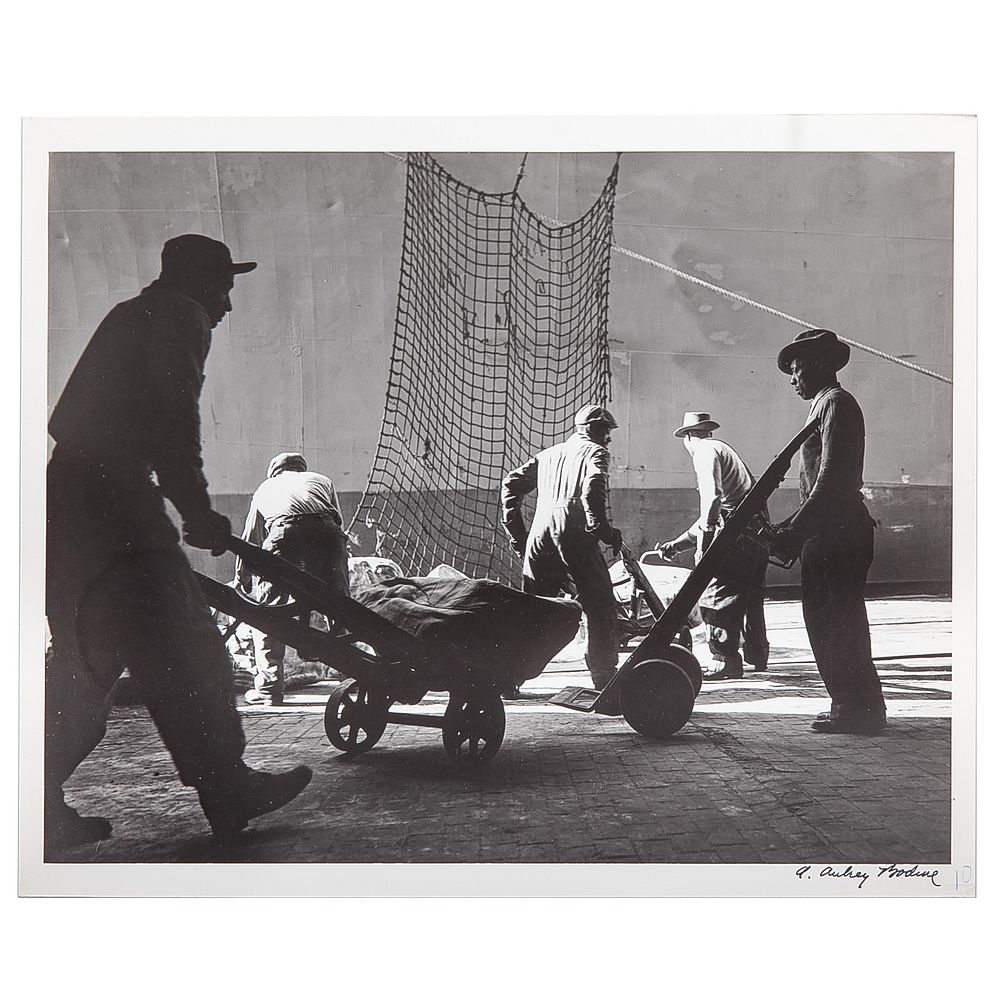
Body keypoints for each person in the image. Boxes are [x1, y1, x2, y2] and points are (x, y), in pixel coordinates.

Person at [45, 234, 312, 851]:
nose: (227, 304)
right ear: (201, 282)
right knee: (189, 648)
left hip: (70, 504)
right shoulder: (178, 314)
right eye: (225, 288)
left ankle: (32, 802)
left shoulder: (130, 314)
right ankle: (226, 786)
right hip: (116, 505)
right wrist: (196, 509)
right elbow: (174, 416)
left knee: (89, 665)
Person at [770, 329, 886, 735]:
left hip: (837, 533)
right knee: (830, 621)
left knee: (837, 622)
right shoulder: (825, 405)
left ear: (818, 365)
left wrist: (794, 529)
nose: (792, 378)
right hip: (830, 532)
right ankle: (851, 705)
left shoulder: (835, 404)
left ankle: (859, 709)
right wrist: (793, 527)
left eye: (797, 369)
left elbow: (832, 481)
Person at [500, 405, 622, 689]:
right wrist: (602, 529)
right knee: (601, 606)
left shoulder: (548, 454)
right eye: (606, 430)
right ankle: (604, 675)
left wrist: (519, 537)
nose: (609, 438)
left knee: (532, 610)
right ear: (589, 429)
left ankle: (508, 677)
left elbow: (510, 485)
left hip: (540, 536)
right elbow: (592, 487)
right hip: (574, 532)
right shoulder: (596, 452)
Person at [656, 412, 770, 680]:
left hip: (738, 538)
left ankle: (724, 661)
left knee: (717, 595)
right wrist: (677, 545)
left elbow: (712, 500)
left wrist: (705, 545)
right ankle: (757, 654)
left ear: (688, 437)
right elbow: (720, 512)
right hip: (755, 534)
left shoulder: (704, 453)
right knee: (751, 596)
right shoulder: (723, 449)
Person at [234, 452, 350, 706]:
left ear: (275, 471)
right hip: (327, 534)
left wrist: (241, 577)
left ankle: (269, 689)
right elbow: (337, 522)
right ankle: (352, 673)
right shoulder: (321, 480)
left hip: (285, 534)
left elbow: (250, 539)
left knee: (267, 612)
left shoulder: (266, 487)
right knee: (340, 606)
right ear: (301, 469)